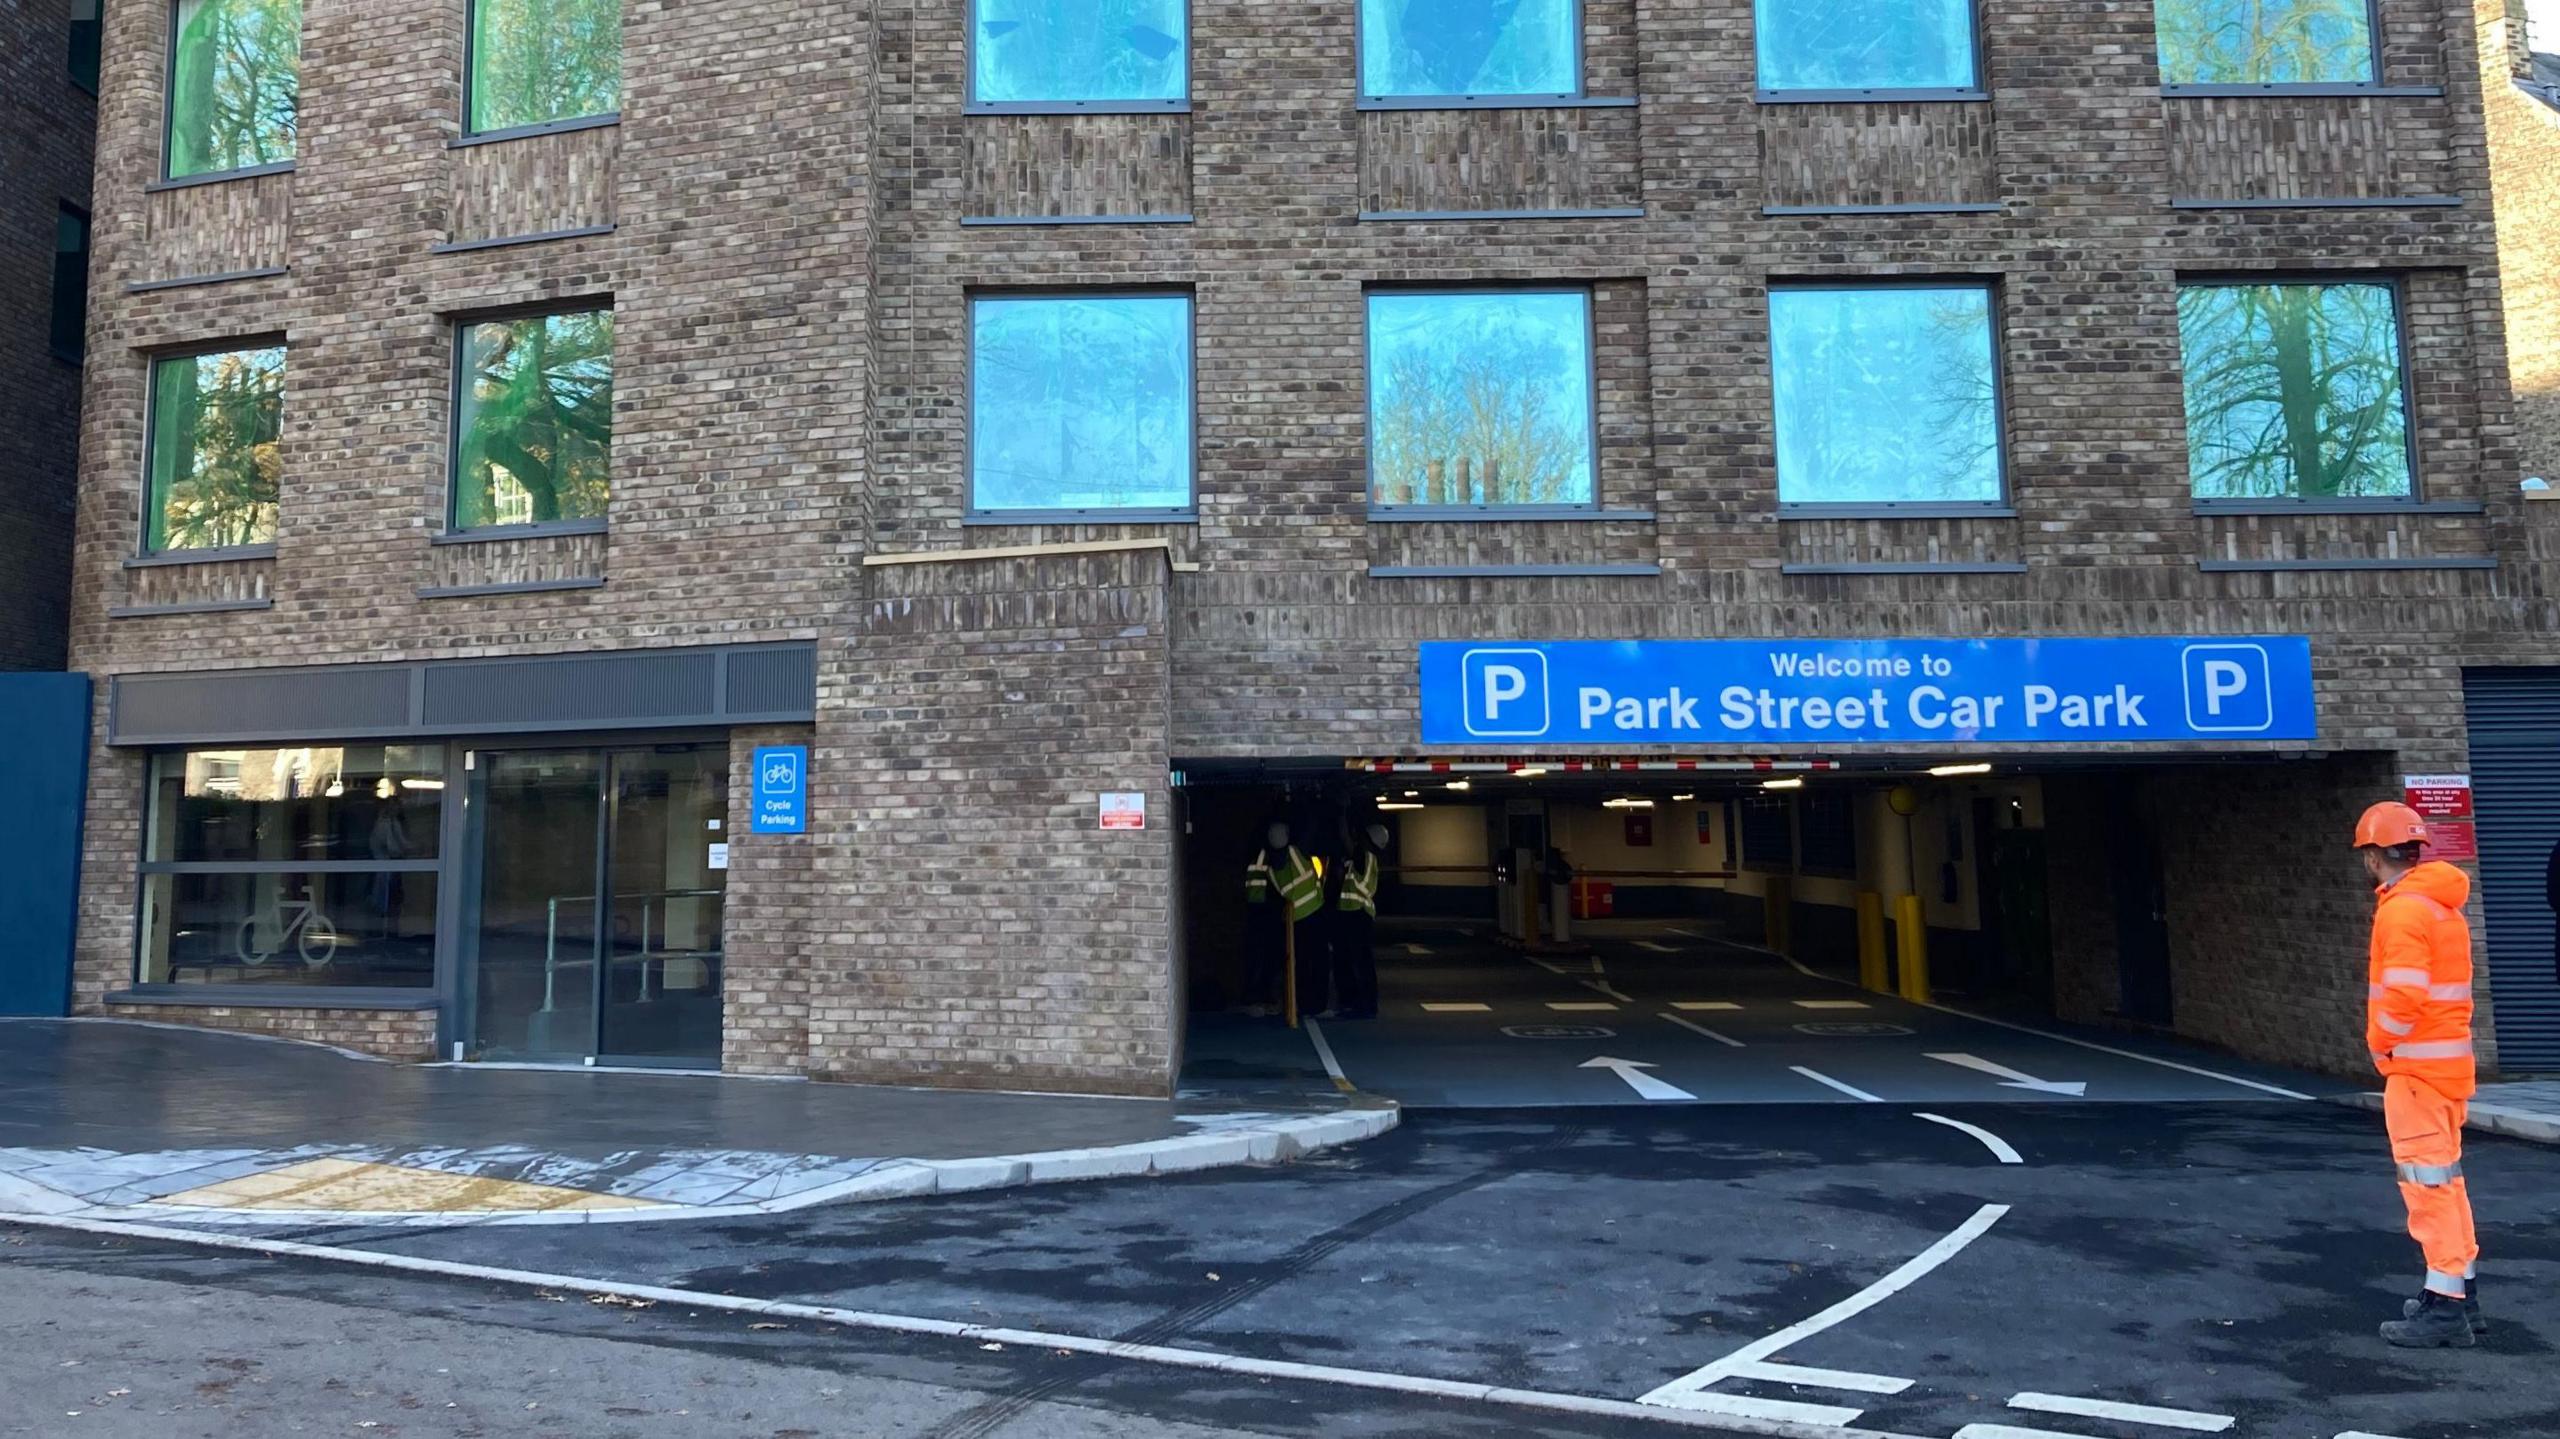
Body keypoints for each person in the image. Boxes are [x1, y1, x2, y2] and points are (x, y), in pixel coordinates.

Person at [2356, 801, 2483, 1349]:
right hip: (2448, 1068)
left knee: (2426, 1190)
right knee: (2447, 1183)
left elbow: (2404, 995)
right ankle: (2455, 1293)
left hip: (2415, 1071)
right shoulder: (2441, 906)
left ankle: (2445, 1311)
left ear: (2371, 855)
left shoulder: (2403, 911)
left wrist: (2379, 1043)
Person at [1244, 821, 1320, 1018]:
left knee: (1285, 961)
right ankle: (1305, 1004)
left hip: (1282, 914)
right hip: (1310, 911)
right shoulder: (1296, 852)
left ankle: (1287, 1002)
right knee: (1307, 962)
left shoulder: (1268, 860)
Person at [1324, 823, 1385, 1020]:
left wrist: (1341, 815)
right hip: (1351, 913)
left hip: (1357, 914)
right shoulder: (1365, 860)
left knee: (1358, 962)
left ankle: (1362, 1004)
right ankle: (1355, 1003)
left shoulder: (1365, 857)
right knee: (1348, 961)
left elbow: (1346, 840)